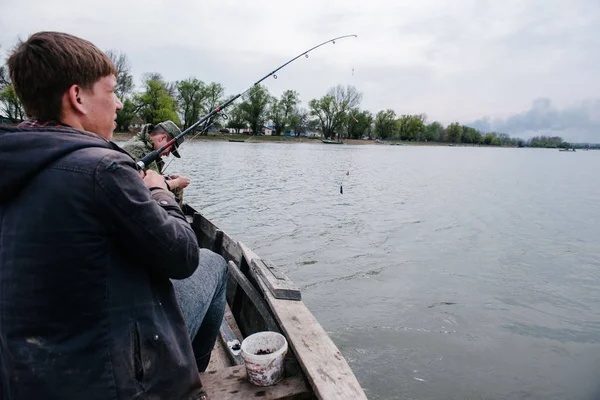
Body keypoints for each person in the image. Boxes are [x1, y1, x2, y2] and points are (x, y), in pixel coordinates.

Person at [0, 31, 226, 399]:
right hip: (104, 380)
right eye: (111, 91)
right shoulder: (102, 168)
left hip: (27, 374)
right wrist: (159, 191)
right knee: (212, 263)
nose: (119, 104)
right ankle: (191, 386)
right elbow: (182, 257)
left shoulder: (14, 162)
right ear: (77, 97)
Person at [121, 121, 191, 204]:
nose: (168, 154)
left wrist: (166, 177)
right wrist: (176, 183)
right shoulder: (139, 148)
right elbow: (151, 187)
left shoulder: (142, 143)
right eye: (171, 149)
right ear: (162, 138)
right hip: (126, 201)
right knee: (175, 189)